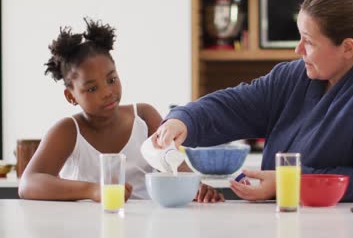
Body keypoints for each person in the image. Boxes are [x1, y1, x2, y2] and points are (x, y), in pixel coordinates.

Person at [154, 0, 353, 202]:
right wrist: (184, 120)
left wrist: (286, 183)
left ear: (347, 48)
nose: (298, 50)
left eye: (309, 42)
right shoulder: (295, 75)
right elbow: (236, 105)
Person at [18, 18, 223, 203]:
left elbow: (178, 168)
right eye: (91, 88)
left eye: (111, 79)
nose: (107, 92)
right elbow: (28, 184)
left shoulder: (144, 116)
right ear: (71, 96)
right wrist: (93, 191)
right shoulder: (68, 131)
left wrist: (197, 188)